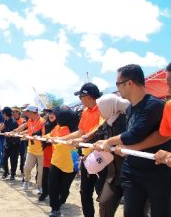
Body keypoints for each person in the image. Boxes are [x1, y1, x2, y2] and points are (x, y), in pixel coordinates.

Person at [94, 64, 171, 217]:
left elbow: (134, 135)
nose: (167, 89)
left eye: (118, 84)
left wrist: (109, 142)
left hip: (157, 172)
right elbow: (159, 134)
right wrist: (126, 148)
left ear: (129, 83)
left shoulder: (154, 105)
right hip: (132, 171)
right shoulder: (129, 108)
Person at [59, 82, 106, 217]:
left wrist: (82, 139)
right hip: (86, 158)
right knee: (85, 192)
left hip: (101, 157)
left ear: (88, 97)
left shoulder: (103, 108)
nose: (80, 99)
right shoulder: (85, 111)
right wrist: (63, 139)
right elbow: (80, 132)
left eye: (81, 96)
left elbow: (100, 129)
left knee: (103, 194)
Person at [90, 94, 129, 217]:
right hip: (113, 174)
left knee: (134, 211)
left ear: (109, 106)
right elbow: (98, 136)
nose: (99, 112)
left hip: (132, 175)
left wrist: (117, 145)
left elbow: (132, 139)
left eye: (101, 108)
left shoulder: (128, 119)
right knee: (105, 203)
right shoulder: (108, 122)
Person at [46, 106, 79, 217]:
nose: (56, 116)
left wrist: (59, 140)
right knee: (53, 185)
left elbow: (74, 139)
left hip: (69, 164)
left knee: (64, 188)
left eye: (58, 114)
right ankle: (55, 209)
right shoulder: (57, 127)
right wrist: (40, 137)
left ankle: (63, 196)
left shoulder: (73, 130)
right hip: (56, 161)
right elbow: (50, 135)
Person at [14, 105, 45, 191]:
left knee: (40, 171)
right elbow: (26, 127)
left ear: (32, 112)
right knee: (26, 168)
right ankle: (26, 181)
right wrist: (15, 132)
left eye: (27, 112)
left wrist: (29, 135)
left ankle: (39, 186)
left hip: (41, 151)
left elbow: (43, 134)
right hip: (31, 149)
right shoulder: (30, 120)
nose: (25, 113)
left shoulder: (42, 121)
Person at [0, 107, 20, 180]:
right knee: (4, 158)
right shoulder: (6, 120)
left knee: (13, 160)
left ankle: (13, 174)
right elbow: (2, 127)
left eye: (2, 113)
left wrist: (8, 134)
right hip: (7, 143)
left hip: (15, 144)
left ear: (5, 114)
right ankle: (6, 172)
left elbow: (15, 133)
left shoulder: (14, 122)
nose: (2, 114)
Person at [37, 109, 57, 201]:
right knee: (45, 175)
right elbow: (40, 132)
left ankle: (57, 194)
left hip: (56, 152)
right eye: (50, 113)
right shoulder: (45, 124)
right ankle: (45, 192)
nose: (51, 115)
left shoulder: (60, 125)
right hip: (46, 151)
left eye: (54, 113)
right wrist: (33, 134)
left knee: (54, 176)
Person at [12, 107, 27, 176]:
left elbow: (26, 130)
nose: (14, 113)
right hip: (13, 141)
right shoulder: (11, 121)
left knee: (22, 155)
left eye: (15, 111)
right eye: (13, 112)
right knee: (14, 156)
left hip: (22, 141)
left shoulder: (23, 121)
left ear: (18, 112)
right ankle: (13, 171)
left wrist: (20, 133)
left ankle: (22, 169)